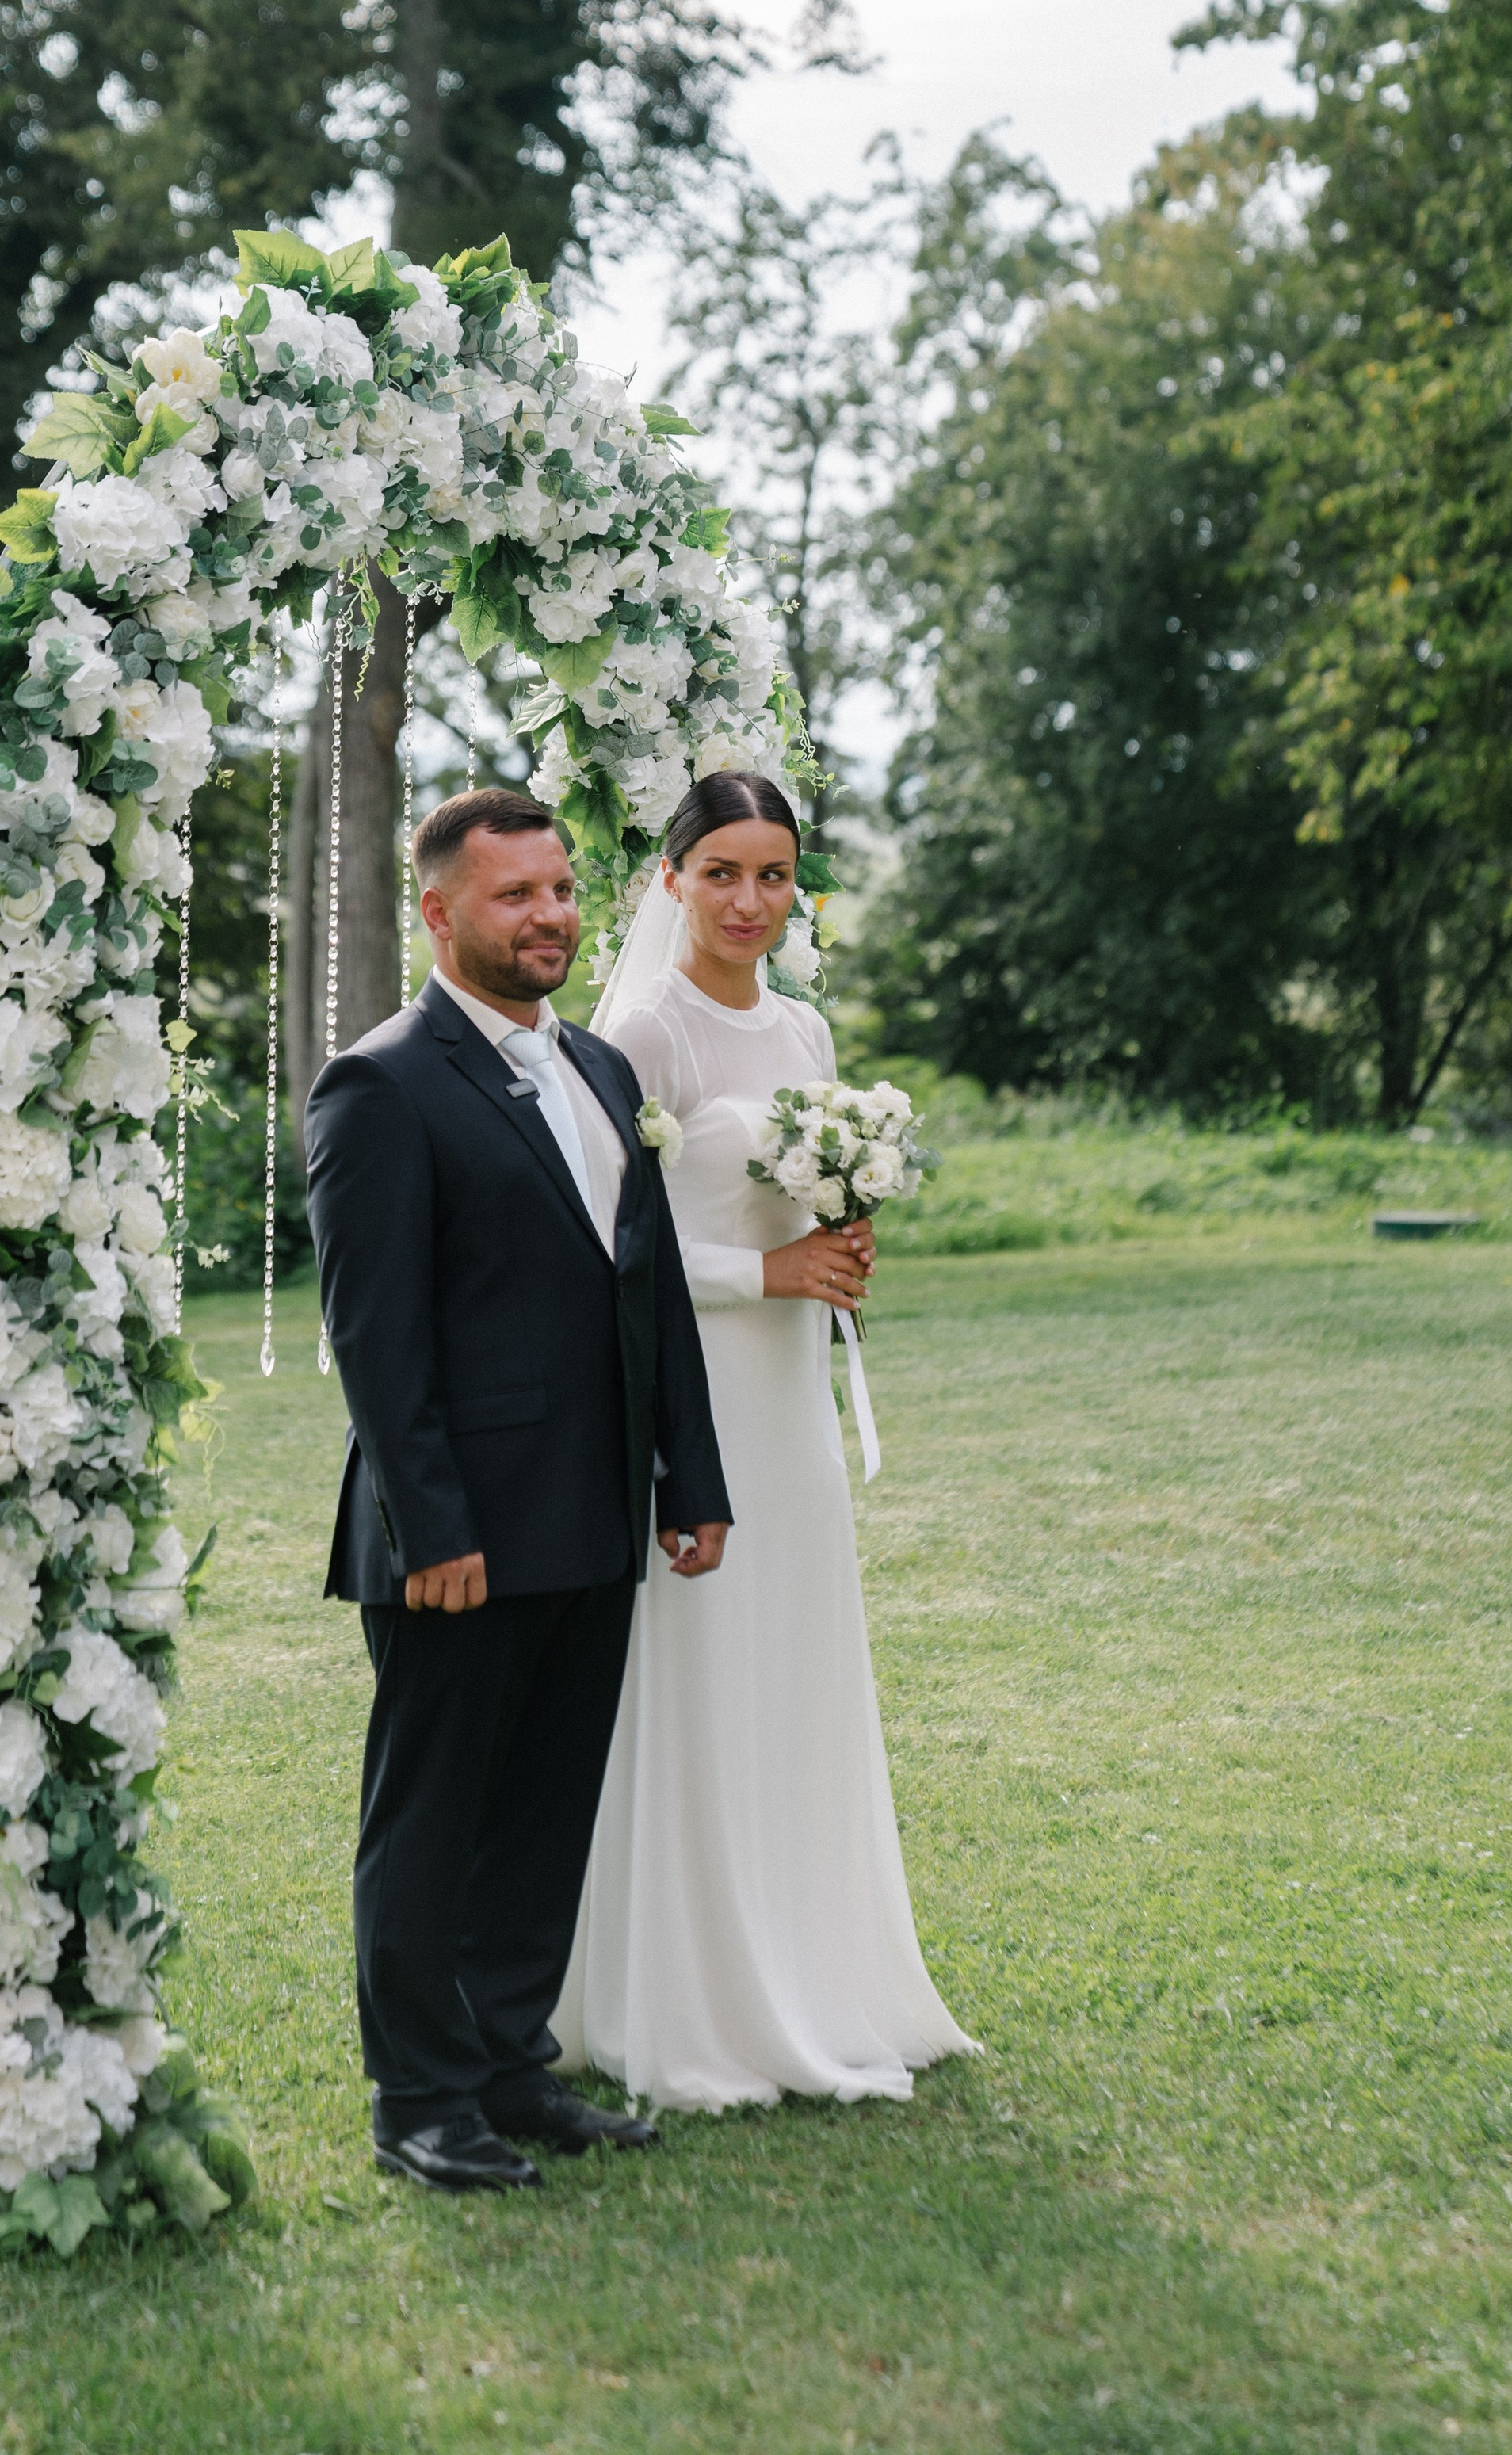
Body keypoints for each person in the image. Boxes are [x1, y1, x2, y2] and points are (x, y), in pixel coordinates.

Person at [304, 788, 733, 2193]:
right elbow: (377, 1336)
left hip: (593, 1515)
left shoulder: (605, 1070)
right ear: (438, 912)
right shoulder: (380, 1083)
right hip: (457, 1538)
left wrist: (692, 1475)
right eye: (514, 896)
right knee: (434, 1826)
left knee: (547, 1812)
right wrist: (435, 1528)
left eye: (560, 891)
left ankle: (507, 2069)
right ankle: (420, 2103)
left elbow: (648, 1292)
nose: (549, 915)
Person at [552, 770, 974, 2109]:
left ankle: (817, 1964)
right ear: (669, 878)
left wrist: (839, 1244)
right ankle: (690, 1993)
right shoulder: (640, 1029)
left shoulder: (803, 1029)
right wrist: (766, 1280)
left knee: (796, 1650)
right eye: (722, 871)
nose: (750, 901)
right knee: (707, 1653)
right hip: (698, 1382)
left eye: (775, 876)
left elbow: (793, 1192)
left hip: (789, 1393)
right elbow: (615, 1246)